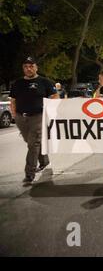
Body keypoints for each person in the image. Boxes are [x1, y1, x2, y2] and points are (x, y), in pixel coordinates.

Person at [10, 57, 59, 185]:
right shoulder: (17, 83)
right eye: (26, 66)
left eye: (31, 66)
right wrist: (14, 115)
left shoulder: (44, 81)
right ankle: (44, 161)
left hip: (38, 116)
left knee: (33, 144)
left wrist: (49, 110)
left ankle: (29, 173)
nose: (29, 69)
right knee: (32, 142)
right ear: (23, 68)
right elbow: (13, 100)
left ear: (36, 67)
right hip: (21, 118)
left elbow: (55, 96)